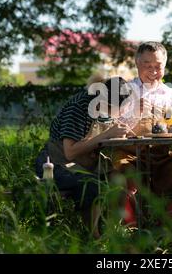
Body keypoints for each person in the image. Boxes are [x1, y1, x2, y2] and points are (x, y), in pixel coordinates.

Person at [114, 41, 172, 226]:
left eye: (158, 66)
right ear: (137, 64)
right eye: (147, 65)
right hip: (128, 154)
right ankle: (132, 232)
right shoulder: (123, 91)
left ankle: (167, 225)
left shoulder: (171, 94)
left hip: (160, 156)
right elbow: (109, 128)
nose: (153, 70)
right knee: (124, 182)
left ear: (164, 66)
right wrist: (134, 112)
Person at [34, 76, 132, 238]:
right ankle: (94, 236)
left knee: (118, 180)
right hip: (57, 162)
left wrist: (117, 133)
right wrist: (107, 134)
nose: (122, 113)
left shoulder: (102, 108)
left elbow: (99, 136)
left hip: (86, 160)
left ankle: (112, 232)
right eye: (121, 109)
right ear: (109, 102)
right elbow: (70, 152)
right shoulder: (79, 108)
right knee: (92, 184)